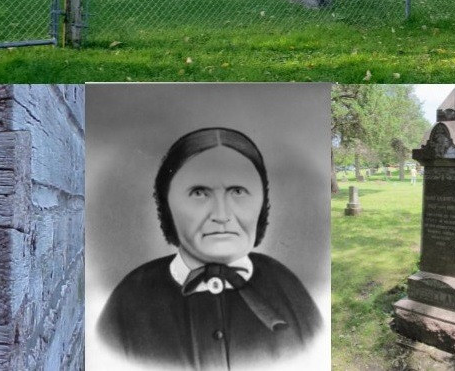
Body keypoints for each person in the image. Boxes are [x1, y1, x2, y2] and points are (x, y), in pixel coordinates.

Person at [98, 127, 322, 369]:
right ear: (167, 205)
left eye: (238, 191)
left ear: (262, 202)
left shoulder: (288, 289)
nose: (222, 215)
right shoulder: (129, 300)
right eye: (199, 193)